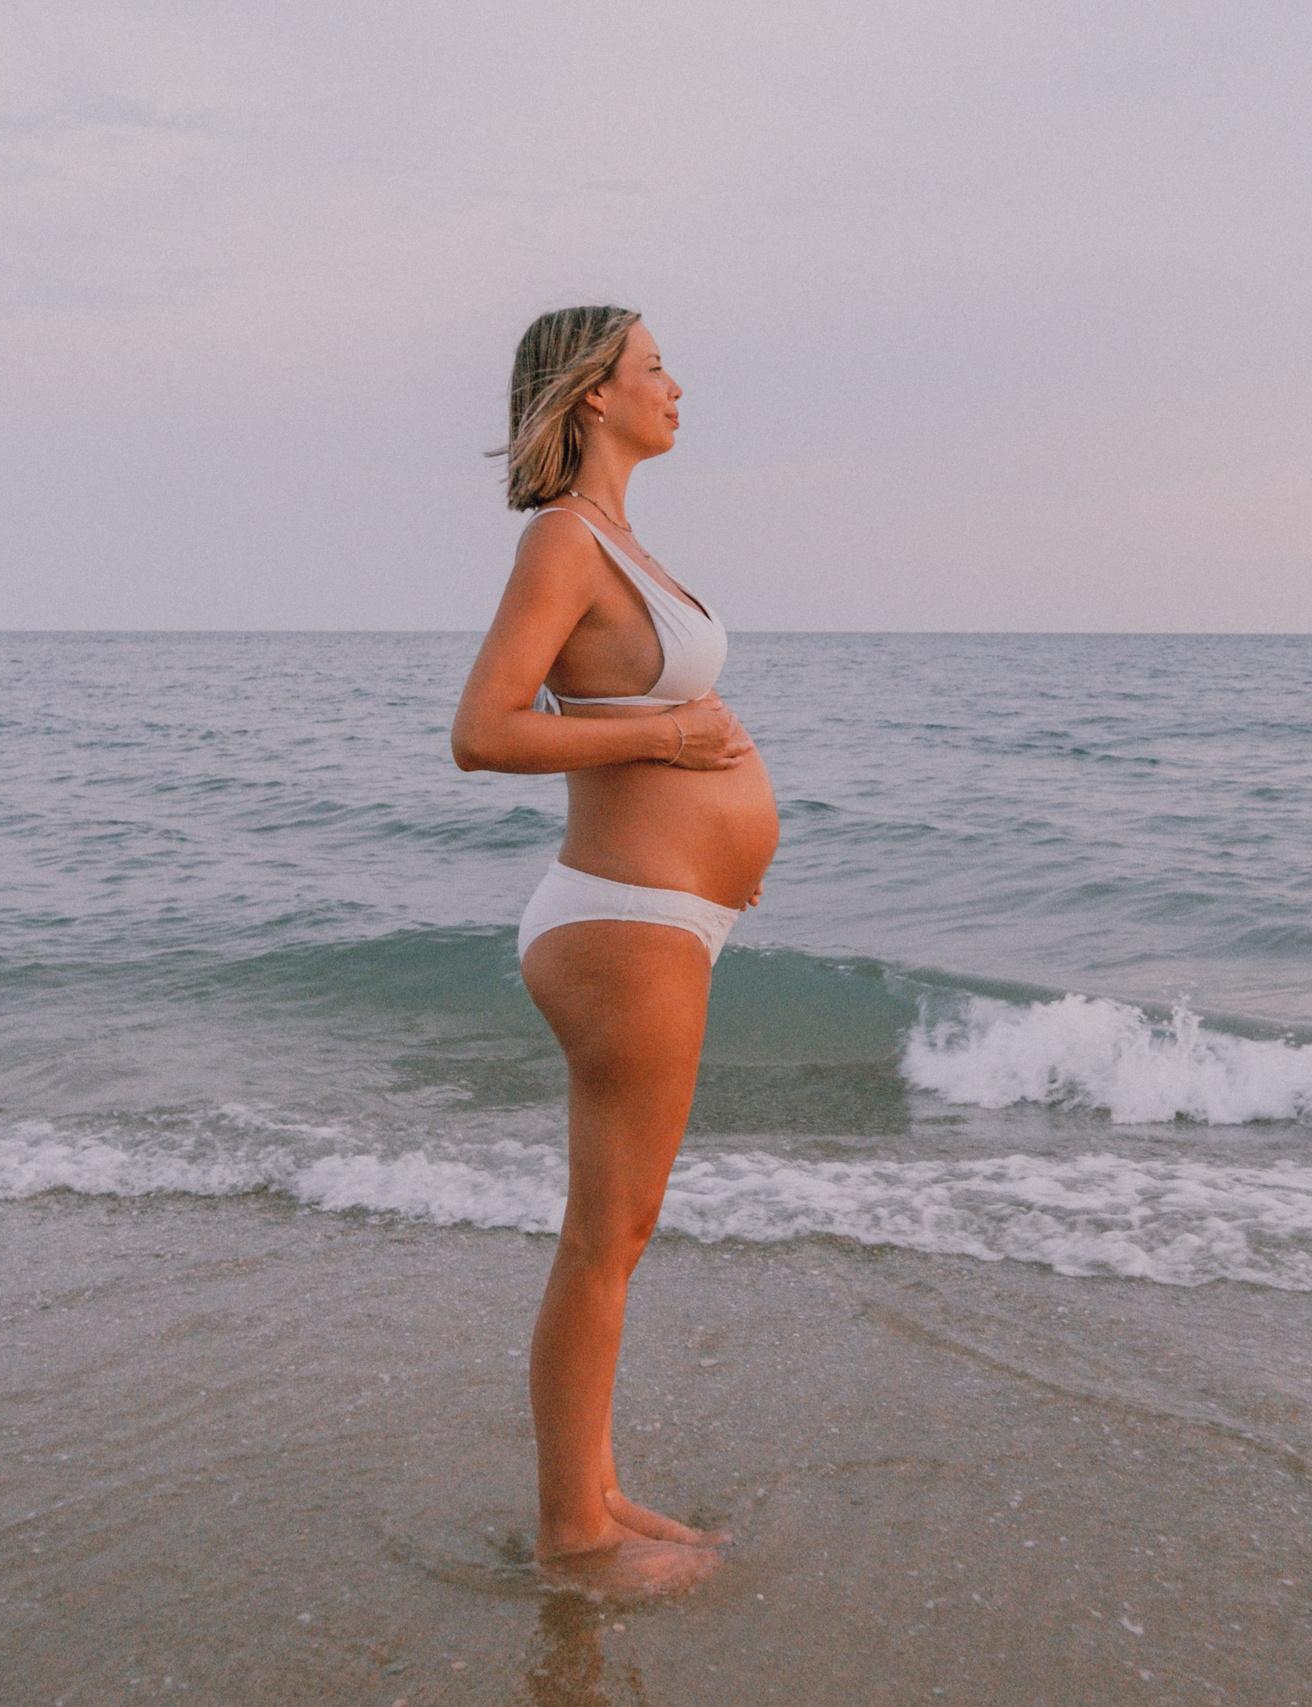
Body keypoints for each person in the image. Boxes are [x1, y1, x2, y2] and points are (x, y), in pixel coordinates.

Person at [452, 306, 778, 1593]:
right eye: (654, 369)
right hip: (622, 921)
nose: (677, 386)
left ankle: (592, 1488)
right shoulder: (560, 542)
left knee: (622, 1228)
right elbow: (483, 732)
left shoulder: (618, 541)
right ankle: (569, 1535)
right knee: (608, 1233)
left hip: (662, 917)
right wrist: (661, 740)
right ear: (594, 395)